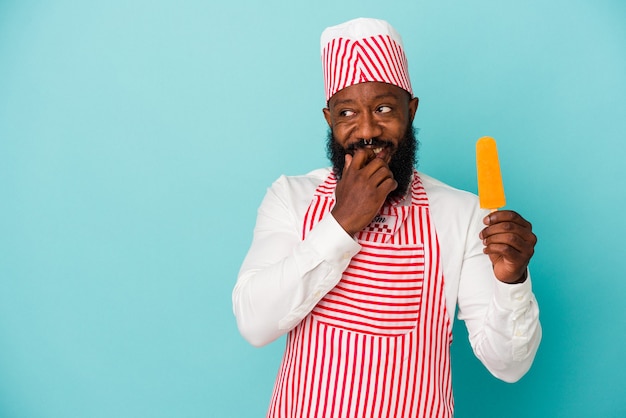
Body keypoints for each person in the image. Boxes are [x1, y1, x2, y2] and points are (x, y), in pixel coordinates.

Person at [232, 17, 541, 418]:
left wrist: (511, 281)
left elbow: (509, 366)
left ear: (410, 111)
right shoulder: (291, 197)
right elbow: (255, 324)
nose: (366, 130)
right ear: (329, 120)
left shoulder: (463, 214)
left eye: (383, 108)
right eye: (347, 113)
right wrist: (341, 223)